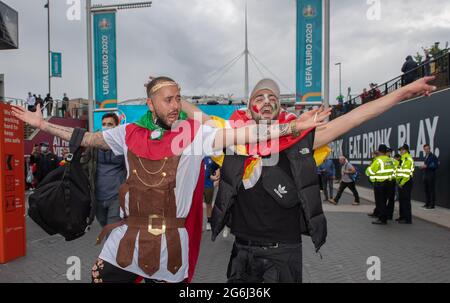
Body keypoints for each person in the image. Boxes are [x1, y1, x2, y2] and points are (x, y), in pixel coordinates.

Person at [12, 76, 325, 284]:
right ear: (151, 104)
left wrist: (291, 128)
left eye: (178, 99)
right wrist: (43, 123)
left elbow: (246, 133)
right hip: (124, 242)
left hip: (169, 249)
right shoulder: (129, 133)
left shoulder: (192, 134)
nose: (176, 106)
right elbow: (90, 139)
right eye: (168, 100)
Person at [180, 76, 437, 283]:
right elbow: (197, 117)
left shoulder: (300, 139)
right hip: (242, 251)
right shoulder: (232, 139)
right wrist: (168, 94)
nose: (267, 101)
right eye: (260, 97)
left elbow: (355, 117)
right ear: (249, 107)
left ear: (280, 107)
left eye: (273, 98)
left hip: (282, 254)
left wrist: (403, 92)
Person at [81, 113, 127, 228]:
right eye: (104, 124)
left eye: (110, 124)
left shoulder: (123, 143)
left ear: (117, 126)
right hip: (97, 196)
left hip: (117, 196)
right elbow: (84, 163)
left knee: (111, 229)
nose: (106, 126)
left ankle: (112, 246)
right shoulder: (93, 143)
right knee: (104, 226)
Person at [365, 145, 396, 225]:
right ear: (385, 151)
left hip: (380, 184)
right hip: (389, 183)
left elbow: (370, 172)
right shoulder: (391, 160)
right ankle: (384, 217)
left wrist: (368, 169)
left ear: (379, 151)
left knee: (380, 202)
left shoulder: (378, 160)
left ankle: (382, 219)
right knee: (385, 201)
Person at [396, 144, 415, 224]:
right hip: (401, 182)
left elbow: (406, 173)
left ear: (406, 150)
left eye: (402, 150)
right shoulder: (402, 158)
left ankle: (407, 219)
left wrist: (402, 183)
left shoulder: (407, 159)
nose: (401, 151)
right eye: (400, 150)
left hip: (406, 182)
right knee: (401, 200)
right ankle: (402, 216)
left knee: (406, 200)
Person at [203, 156, 220, 231]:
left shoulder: (212, 157)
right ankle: (196, 223)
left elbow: (218, 168)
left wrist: (217, 179)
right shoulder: (197, 157)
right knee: (195, 204)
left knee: (208, 204)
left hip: (208, 184)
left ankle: (209, 222)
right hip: (197, 185)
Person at [421, 144, 439, 209]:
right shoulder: (426, 156)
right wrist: (422, 167)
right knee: (426, 190)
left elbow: (436, 166)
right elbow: (425, 165)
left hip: (431, 176)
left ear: (430, 149)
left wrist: (427, 166)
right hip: (425, 176)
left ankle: (432, 205)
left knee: (431, 190)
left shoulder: (433, 156)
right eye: (425, 149)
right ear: (424, 150)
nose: (426, 150)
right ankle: (427, 203)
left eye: (428, 149)